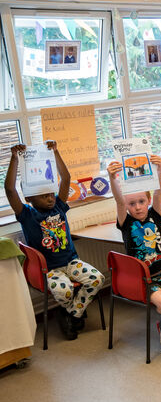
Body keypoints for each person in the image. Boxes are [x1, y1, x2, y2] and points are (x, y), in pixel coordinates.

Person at [6, 142, 105, 340]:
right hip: (50, 269)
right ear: (29, 198)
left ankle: (70, 314)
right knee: (64, 290)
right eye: (44, 196)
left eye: (51, 194)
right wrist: (14, 159)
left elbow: (66, 178)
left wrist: (56, 152)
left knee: (97, 279)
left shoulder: (59, 207)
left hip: (71, 262)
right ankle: (73, 312)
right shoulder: (27, 215)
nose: (50, 198)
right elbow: (9, 189)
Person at [107, 154, 161, 351]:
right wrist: (112, 179)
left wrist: (159, 170)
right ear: (126, 207)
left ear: (148, 200)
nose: (137, 207)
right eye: (132, 204)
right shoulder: (126, 223)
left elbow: (159, 193)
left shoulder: (155, 214)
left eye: (141, 202)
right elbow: (119, 201)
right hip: (145, 280)